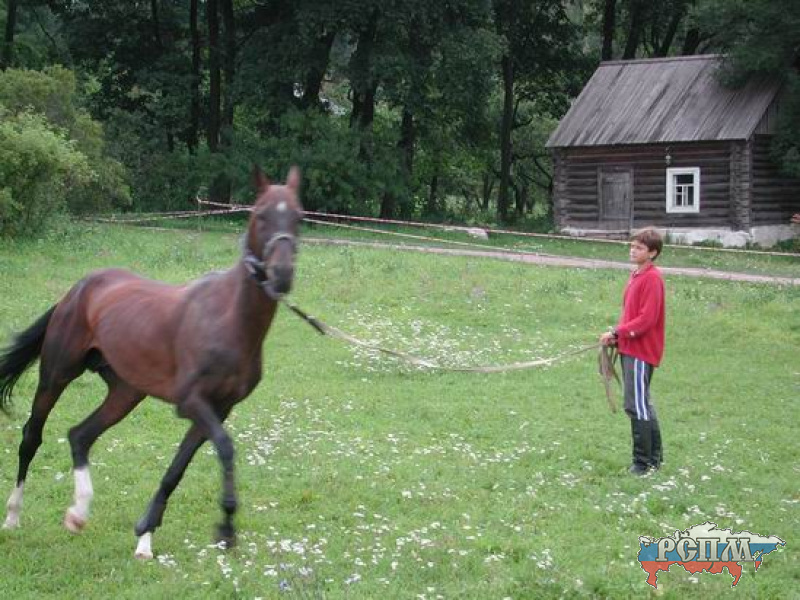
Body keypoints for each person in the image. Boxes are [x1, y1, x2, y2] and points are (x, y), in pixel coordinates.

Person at [600, 228, 665, 476]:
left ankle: (642, 462)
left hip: (641, 350)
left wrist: (617, 331)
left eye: (639, 248)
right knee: (642, 402)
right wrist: (618, 336)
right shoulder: (637, 275)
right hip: (630, 346)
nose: (633, 250)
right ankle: (654, 459)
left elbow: (647, 319)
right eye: (632, 246)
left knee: (636, 405)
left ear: (652, 253)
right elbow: (631, 314)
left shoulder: (652, 279)